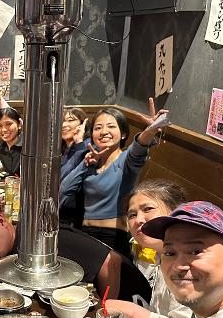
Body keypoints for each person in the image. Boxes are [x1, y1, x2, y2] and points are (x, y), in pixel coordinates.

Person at [0, 204, 151, 304]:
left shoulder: (43, 239)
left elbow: (111, 261)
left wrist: (106, 315)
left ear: (1, 220)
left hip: (134, 303)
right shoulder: (4, 253)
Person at [104, 179, 191, 318]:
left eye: (148, 209)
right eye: (132, 214)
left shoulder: (186, 268)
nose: (138, 219)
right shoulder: (152, 256)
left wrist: (129, 310)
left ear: (176, 211)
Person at [59, 99, 169, 258]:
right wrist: (85, 164)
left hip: (112, 237)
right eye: (98, 127)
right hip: (83, 232)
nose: (104, 131)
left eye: (111, 126)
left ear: (123, 134)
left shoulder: (126, 160)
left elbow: (139, 147)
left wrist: (150, 131)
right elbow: (65, 189)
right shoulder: (91, 164)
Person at [0, 99, 23, 176]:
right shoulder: (0, 148)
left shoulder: (29, 146)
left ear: (19, 124)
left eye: (9, 124)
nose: (4, 129)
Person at [60, 106, 88, 180]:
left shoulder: (88, 145)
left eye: (70, 120)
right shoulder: (61, 148)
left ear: (82, 124)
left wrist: (79, 142)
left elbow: (64, 176)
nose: (63, 125)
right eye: (61, 121)